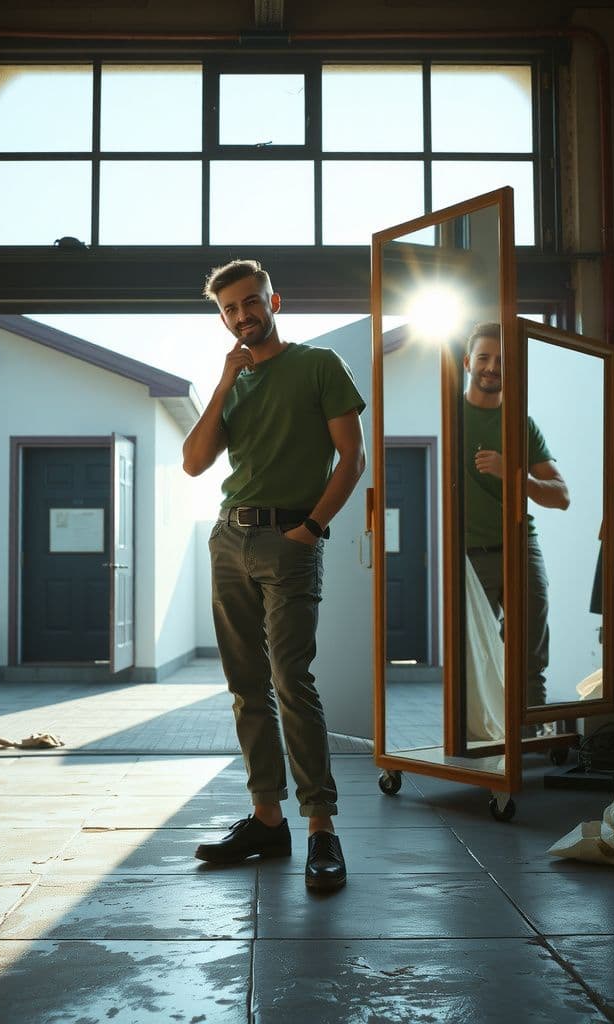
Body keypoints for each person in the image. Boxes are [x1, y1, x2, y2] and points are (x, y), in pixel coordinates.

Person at [182, 259, 366, 892]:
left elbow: (352, 458)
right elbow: (194, 463)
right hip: (229, 538)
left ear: (274, 301)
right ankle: (267, 819)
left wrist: (310, 529)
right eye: (230, 309)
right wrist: (225, 379)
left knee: (292, 679)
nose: (242, 315)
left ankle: (320, 828)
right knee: (244, 684)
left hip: (289, 540)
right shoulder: (233, 380)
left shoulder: (319, 367)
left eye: (250, 302)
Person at [463, 322, 569, 710]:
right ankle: (478, 750)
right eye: (484, 357)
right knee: (470, 660)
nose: (492, 367)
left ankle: (530, 743)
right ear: (467, 363)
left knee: (529, 655)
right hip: (468, 555)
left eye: (502, 361)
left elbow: (561, 497)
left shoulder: (521, 424)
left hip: (521, 550)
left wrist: (514, 473)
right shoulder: (451, 414)